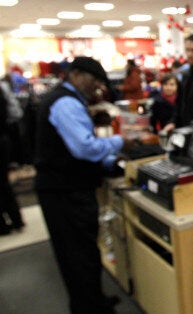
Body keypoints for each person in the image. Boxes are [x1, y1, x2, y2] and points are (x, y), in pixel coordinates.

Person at [34, 56, 134, 314]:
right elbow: (85, 148)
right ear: (76, 75)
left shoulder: (68, 99)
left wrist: (109, 160)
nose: (97, 87)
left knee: (86, 252)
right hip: (64, 192)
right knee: (76, 256)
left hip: (68, 187)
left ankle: (95, 300)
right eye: (93, 80)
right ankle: (88, 308)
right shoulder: (66, 103)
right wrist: (120, 143)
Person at [0, 83, 24, 235]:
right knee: (4, 183)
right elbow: (13, 114)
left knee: (3, 183)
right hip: (2, 139)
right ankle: (16, 219)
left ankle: (8, 222)